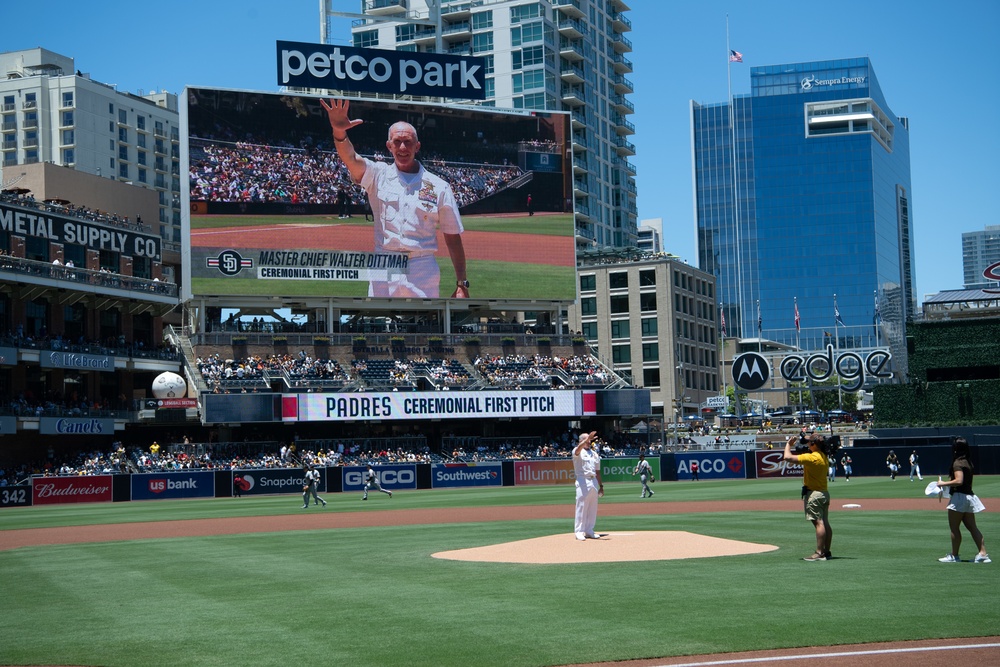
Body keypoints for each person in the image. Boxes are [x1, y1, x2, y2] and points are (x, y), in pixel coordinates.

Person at [321, 98, 469, 299]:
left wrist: (462, 283)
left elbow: (452, 237)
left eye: (407, 142)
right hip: (384, 264)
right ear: (388, 146)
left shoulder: (439, 186)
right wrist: (339, 131)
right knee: (379, 324)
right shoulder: (377, 175)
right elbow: (351, 159)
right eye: (397, 142)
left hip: (422, 267)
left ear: (417, 146)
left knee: (422, 325)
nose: (402, 147)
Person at [937, 437, 989, 563]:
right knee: (972, 527)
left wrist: (942, 483)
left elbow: (959, 481)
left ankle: (954, 555)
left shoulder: (957, 463)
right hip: (969, 497)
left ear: (955, 449)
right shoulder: (968, 462)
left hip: (959, 497)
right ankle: (983, 553)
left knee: (954, 528)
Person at [783, 433, 833, 561]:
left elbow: (787, 457)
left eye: (810, 442)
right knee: (825, 523)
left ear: (814, 444)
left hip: (814, 494)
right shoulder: (823, 456)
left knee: (818, 523)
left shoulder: (812, 458)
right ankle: (826, 551)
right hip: (824, 492)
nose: (808, 443)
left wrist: (788, 444)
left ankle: (819, 553)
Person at [572, 431, 604, 540]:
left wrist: (601, 486)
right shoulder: (578, 452)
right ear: (581, 441)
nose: (589, 442)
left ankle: (589, 530)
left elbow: (598, 471)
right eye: (587, 440)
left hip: (593, 480)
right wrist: (586, 439)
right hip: (582, 480)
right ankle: (579, 531)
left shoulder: (594, 454)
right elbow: (577, 451)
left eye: (590, 440)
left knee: (592, 507)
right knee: (582, 506)